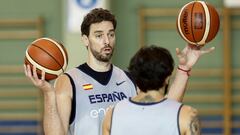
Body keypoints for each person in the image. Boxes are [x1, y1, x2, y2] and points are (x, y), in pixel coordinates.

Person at [24, 8, 214, 135]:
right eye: (99, 35)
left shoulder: (129, 78)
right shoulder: (69, 81)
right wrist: (48, 93)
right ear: (85, 39)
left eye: (111, 34)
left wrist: (184, 68)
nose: (106, 41)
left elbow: (166, 109)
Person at [102, 45, 202, 135]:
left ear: (134, 76)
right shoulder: (186, 115)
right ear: (167, 78)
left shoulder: (112, 114)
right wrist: (184, 68)